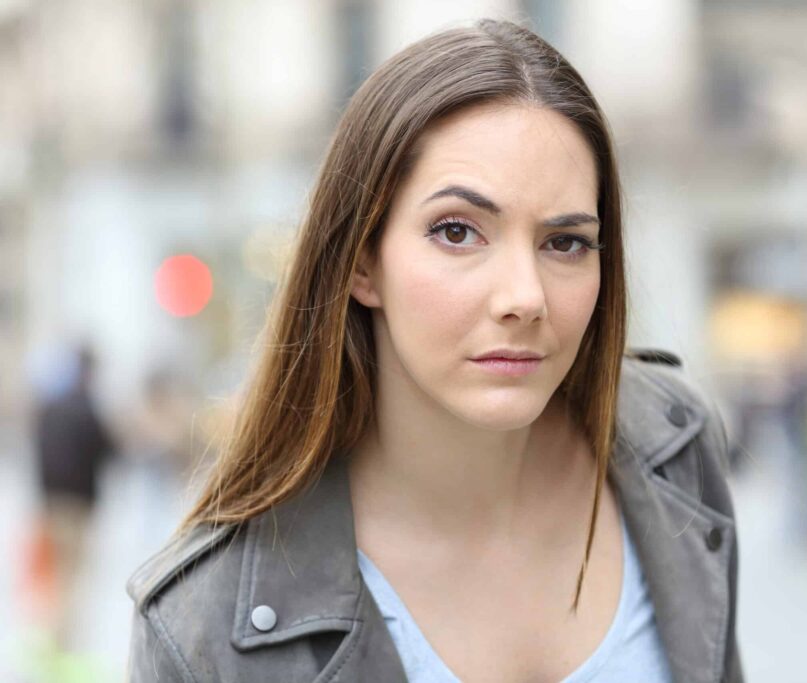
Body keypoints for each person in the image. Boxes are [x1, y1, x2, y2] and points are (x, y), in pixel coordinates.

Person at [126, 19, 743, 683]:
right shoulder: (204, 625)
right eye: (456, 232)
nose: (524, 296)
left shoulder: (670, 444)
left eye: (565, 242)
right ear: (362, 262)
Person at [32, 344, 116, 650]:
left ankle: (55, 636)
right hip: (79, 504)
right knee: (72, 574)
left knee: (57, 572)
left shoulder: (51, 407)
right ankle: (62, 640)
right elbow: (109, 450)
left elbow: (39, 453)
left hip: (53, 500)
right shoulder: (88, 409)